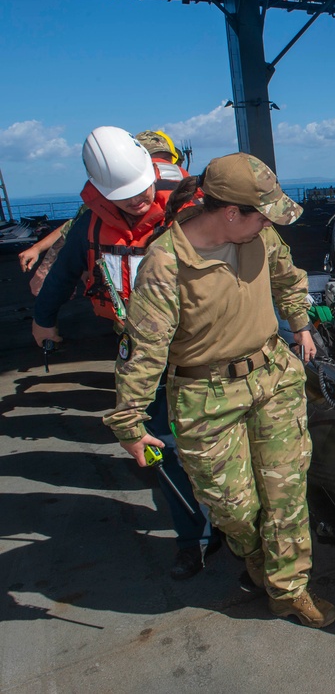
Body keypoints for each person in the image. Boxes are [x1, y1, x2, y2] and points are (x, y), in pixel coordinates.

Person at [103, 152, 335, 628]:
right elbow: (145, 348)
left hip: (272, 378)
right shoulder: (166, 264)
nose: (269, 225)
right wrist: (129, 422)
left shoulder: (263, 236)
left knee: (286, 495)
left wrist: (302, 325)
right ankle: (258, 561)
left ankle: (289, 590)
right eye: (261, 215)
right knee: (235, 507)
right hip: (206, 397)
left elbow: (288, 279)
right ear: (230, 212)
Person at [31, 126, 218, 580]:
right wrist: (43, 317)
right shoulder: (90, 223)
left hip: (199, 346)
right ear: (100, 191)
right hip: (139, 351)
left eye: (142, 191)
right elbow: (63, 272)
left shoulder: (190, 206)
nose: (138, 201)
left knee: (217, 439)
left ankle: (234, 522)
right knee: (160, 447)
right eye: (125, 196)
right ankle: (191, 537)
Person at [20, 129, 189, 293]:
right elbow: (71, 230)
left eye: (166, 160)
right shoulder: (104, 205)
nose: (160, 167)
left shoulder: (187, 197)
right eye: (154, 160)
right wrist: (42, 264)